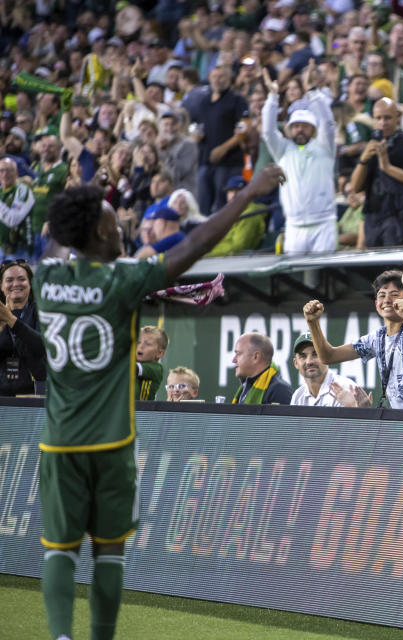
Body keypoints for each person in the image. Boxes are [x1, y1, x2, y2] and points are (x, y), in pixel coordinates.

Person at [36, 165, 285, 640]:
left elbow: (57, 237)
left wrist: (86, 190)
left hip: (59, 443)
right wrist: (249, 192)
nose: (122, 232)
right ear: (95, 232)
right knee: (109, 553)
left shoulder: (46, 277)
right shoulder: (123, 281)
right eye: (113, 225)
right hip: (111, 444)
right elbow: (195, 246)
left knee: (58, 553)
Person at [302, 270, 403, 410]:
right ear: (376, 304)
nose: (387, 300)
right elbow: (329, 357)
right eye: (382, 295)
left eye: (395, 295)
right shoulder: (377, 338)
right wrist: (312, 322)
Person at [261, 68, 337, 254]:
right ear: (290, 128)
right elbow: (268, 131)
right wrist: (272, 96)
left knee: (325, 276)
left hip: (324, 223)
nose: (300, 130)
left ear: (312, 129)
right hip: (293, 226)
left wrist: (312, 91)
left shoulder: (324, 147)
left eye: (305, 126)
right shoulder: (283, 150)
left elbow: (328, 123)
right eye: (296, 126)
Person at [350, 98, 403, 248]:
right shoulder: (371, 145)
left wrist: (388, 168)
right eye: (378, 118)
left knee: (396, 269)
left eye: (387, 117)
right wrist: (363, 160)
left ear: (397, 117)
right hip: (372, 218)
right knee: (374, 269)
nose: (382, 122)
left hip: (400, 217)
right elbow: (355, 187)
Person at [192, 65, 249, 214]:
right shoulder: (203, 102)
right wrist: (195, 135)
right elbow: (194, 124)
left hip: (228, 162)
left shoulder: (236, 100)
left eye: (221, 76)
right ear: (209, 78)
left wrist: (224, 148)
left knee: (222, 207)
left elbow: (245, 127)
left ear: (229, 79)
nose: (217, 80)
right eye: (214, 76)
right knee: (203, 207)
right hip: (205, 160)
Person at [0, 258, 45, 396]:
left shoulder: (42, 311)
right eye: (9, 280)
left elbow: (41, 345)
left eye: (21, 279)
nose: (16, 284)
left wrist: (11, 320)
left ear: (30, 283)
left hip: (35, 392)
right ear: (1, 285)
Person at [289, 332, 369, 407]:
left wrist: (353, 407)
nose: (309, 362)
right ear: (296, 363)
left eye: (316, 354)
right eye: (303, 356)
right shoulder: (298, 396)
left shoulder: (347, 389)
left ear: (326, 356)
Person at [232, 331, 294, 404]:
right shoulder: (246, 388)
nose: (234, 360)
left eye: (238, 353)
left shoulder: (280, 391)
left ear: (256, 357)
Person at [0, 156, 35, 260]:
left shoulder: (23, 191)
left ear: (16, 173)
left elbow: (13, 219)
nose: (5, 174)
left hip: (19, 250)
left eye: (9, 170)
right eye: (1, 170)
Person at [135, 325, 167, 401]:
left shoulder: (156, 369)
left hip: (142, 411)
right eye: (138, 342)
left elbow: (134, 368)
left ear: (159, 353)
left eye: (148, 344)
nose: (140, 346)